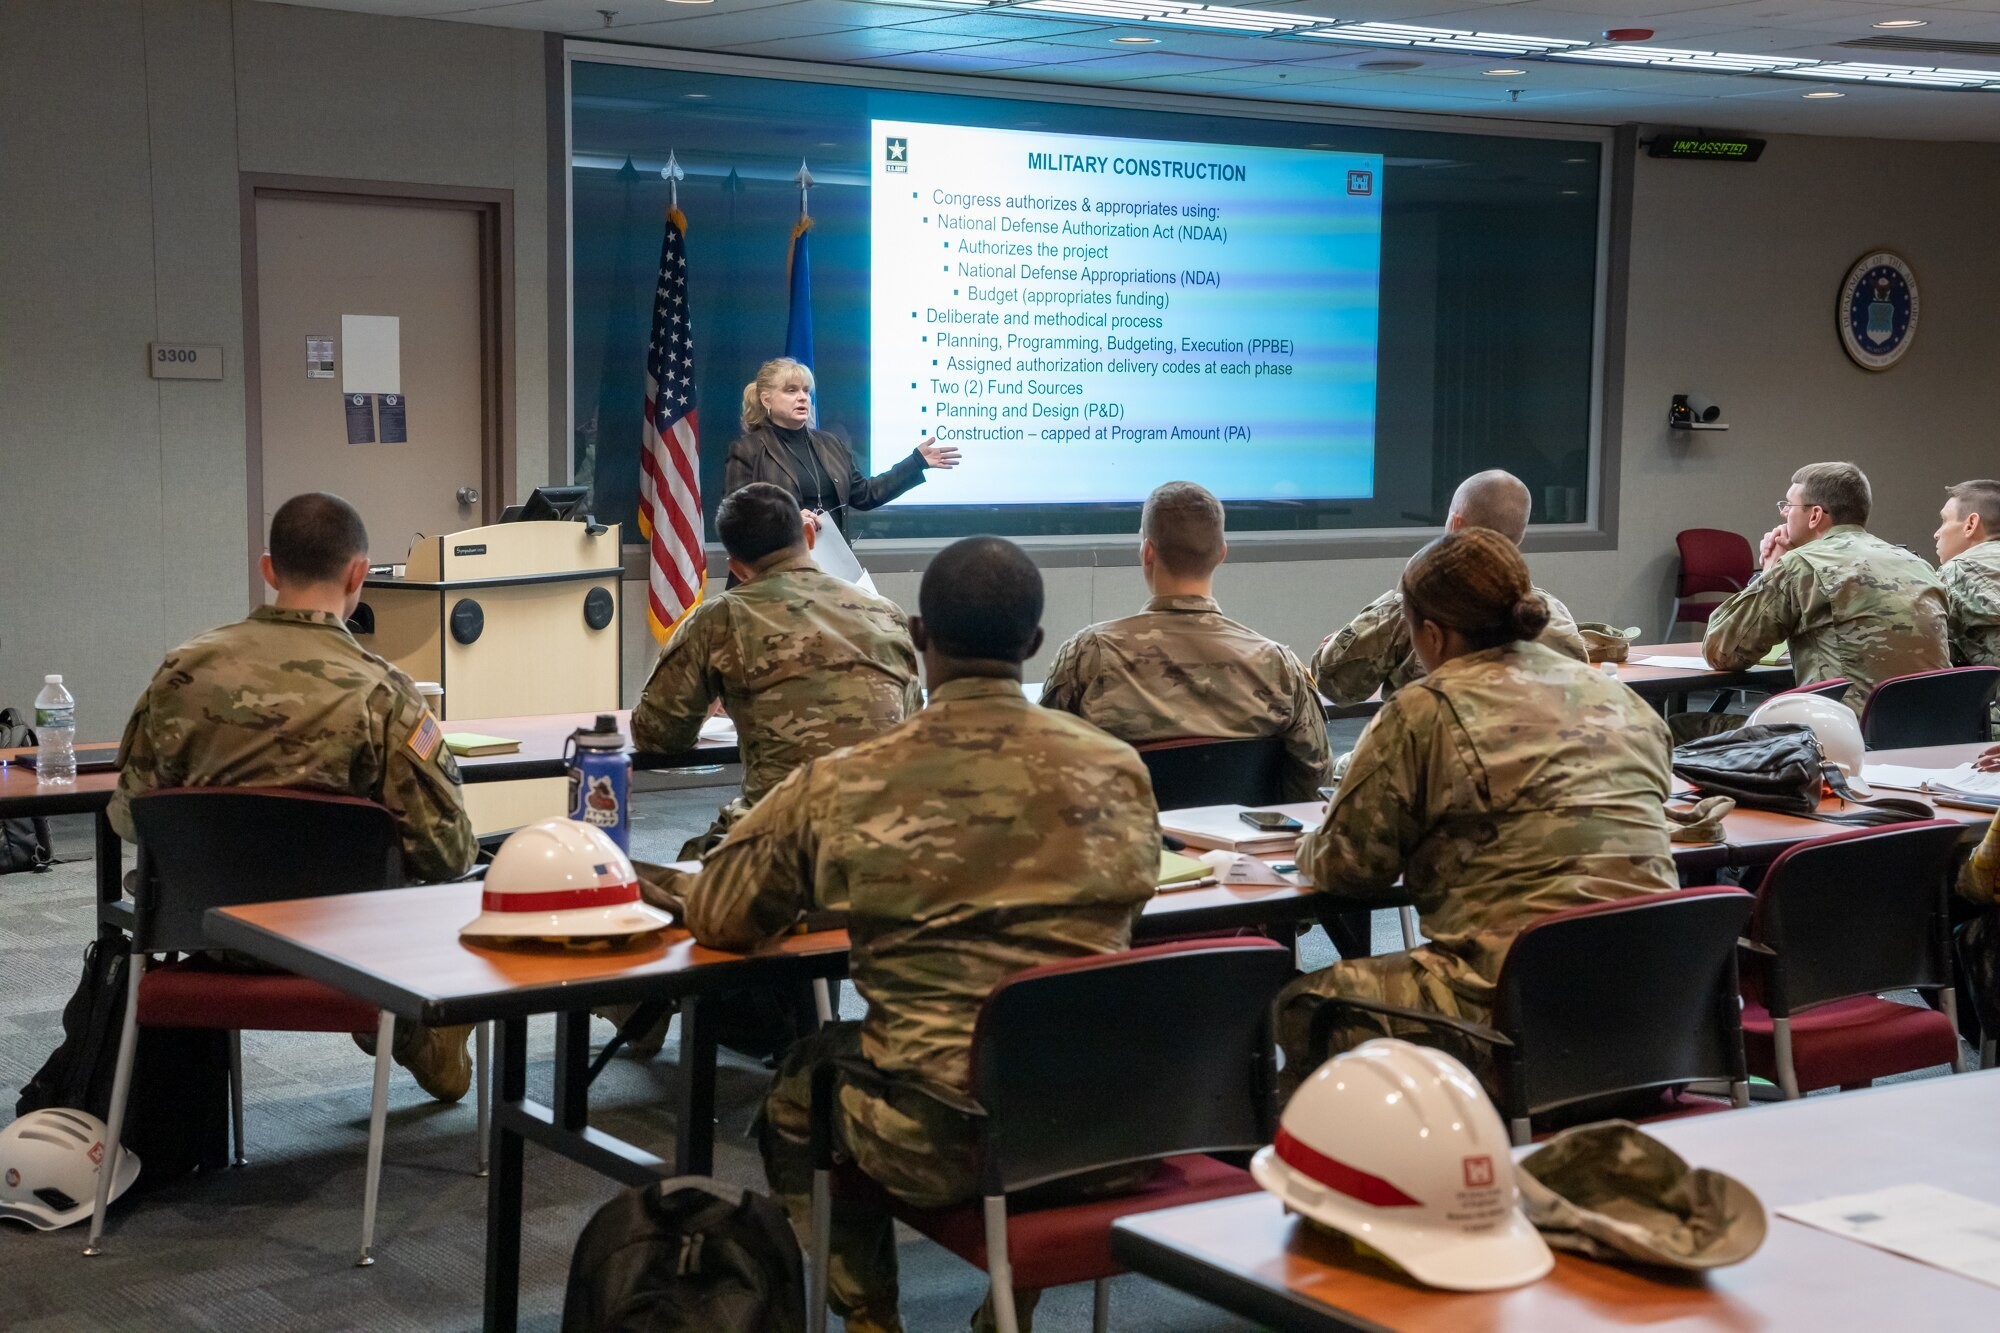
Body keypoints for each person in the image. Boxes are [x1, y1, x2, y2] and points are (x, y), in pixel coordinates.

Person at [664, 536, 1159, 1333]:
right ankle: (1011, 1306)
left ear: (920, 636)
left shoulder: (850, 779)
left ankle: (870, 1318)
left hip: (943, 1139)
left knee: (800, 1086)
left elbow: (723, 914)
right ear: (1032, 644)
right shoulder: (1119, 771)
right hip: (1108, 1121)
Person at [1274, 528, 1677, 1092]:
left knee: (1309, 1002)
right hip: (1656, 994)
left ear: (1432, 635)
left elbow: (1348, 869)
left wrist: (1301, 844)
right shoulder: (1620, 700)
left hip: (1511, 1005)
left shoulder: (1425, 711)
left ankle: (1362, 1174)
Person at [108, 493, 478, 1102]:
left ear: (269, 569)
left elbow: (132, 817)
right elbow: (448, 854)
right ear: (359, 574)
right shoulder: (384, 694)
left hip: (209, 936)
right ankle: (415, 1033)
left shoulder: (181, 671)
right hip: (345, 957)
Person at [631, 482, 921, 859]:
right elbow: (913, 725)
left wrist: (713, 697)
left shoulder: (719, 619)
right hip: (892, 840)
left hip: (782, 845)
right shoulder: (883, 610)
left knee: (684, 875)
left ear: (736, 567)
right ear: (807, 537)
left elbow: (657, 734)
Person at [1039, 480, 1330, 801]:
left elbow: (1043, 764)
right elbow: (1313, 782)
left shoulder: (1089, 654)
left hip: (1122, 846)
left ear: (1147, 552)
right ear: (1221, 554)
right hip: (1239, 850)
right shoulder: (1279, 666)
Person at [1312, 469, 1586, 705]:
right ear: (1521, 536)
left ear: (1456, 524)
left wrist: (1395, 602)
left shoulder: (1419, 611)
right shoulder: (1554, 617)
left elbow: (1334, 684)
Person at [1703, 462, 1948, 719]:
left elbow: (1723, 651)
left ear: (1815, 515)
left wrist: (1771, 570)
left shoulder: (1802, 564)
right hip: (1934, 734)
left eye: (1789, 505)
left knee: (1682, 727)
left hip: (1844, 735)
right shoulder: (1917, 564)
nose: (1784, 513)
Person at [724, 357, 960, 537]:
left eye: (806, 390)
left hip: (830, 568)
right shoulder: (749, 450)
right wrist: (786, 518)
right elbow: (735, 515)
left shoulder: (830, 444)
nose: (803, 397)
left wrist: (916, 462)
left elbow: (865, 495)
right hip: (776, 569)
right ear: (766, 400)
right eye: (791, 390)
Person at [1933, 479, 2000, 667]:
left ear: (1971, 524)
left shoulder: (1957, 570)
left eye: (1944, 520)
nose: (1937, 534)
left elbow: (1934, 657)